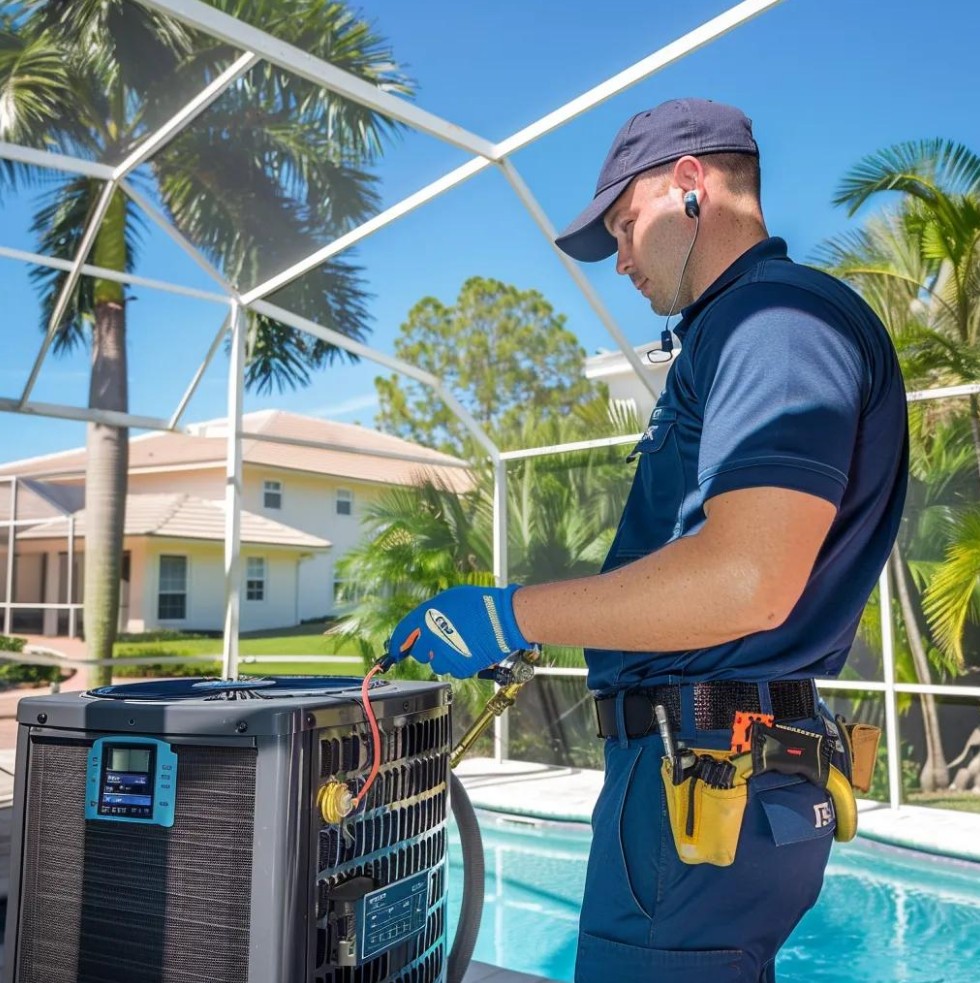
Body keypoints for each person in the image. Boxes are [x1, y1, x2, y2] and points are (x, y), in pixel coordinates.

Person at [387, 97, 909, 982]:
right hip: (724, 778)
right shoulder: (742, 332)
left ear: (691, 185)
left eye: (625, 226)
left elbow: (749, 578)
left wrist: (510, 613)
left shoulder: (773, 322)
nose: (620, 258)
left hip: (699, 784)